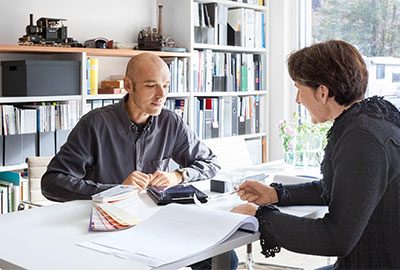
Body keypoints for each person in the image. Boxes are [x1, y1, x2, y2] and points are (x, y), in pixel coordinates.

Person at [41, 52, 237, 270]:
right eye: (151, 85)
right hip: (110, 227)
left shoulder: (170, 122)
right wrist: (115, 190)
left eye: (166, 85)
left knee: (225, 258)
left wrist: (177, 175)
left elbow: (210, 162)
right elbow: (52, 182)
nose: (161, 94)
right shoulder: (95, 125)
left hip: (157, 220)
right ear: (129, 85)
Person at [232, 40, 400, 269]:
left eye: (299, 90)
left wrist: (261, 216)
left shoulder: (361, 138)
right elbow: (346, 189)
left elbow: (335, 239)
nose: (297, 100)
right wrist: (276, 195)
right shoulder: (375, 118)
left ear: (322, 92)